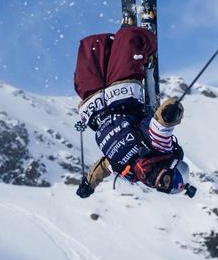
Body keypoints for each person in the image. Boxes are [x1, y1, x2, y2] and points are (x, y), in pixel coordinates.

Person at [73, 25, 194, 198]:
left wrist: (89, 183)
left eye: (162, 188)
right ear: (171, 167)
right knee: (129, 37)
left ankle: (109, 47)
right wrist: (171, 112)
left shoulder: (130, 173)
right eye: (166, 180)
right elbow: (161, 127)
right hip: (121, 90)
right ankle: (140, 45)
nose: (159, 183)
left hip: (94, 105)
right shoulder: (160, 149)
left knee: (90, 48)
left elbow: (105, 165)